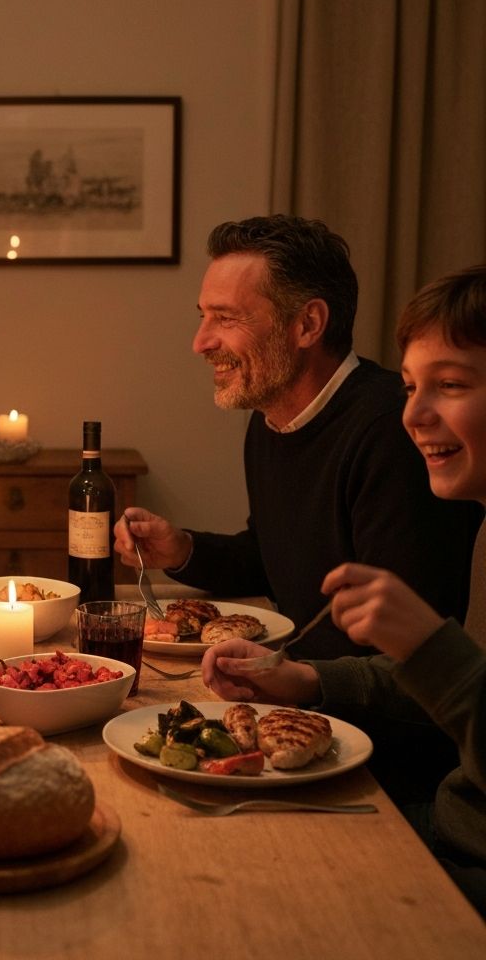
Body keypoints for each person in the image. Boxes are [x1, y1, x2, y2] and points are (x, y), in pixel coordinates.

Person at [202, 264, 486, 916]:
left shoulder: (378, 436)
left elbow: (456, 696)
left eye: (449, 385)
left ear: (309, 324)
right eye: (413, 386)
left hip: (438, 836)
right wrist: (307, 683)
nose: (413, 414)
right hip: (445, 820)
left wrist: (429, 649)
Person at [116, 215, 482, 660]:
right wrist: (183, 550)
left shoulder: (395, 430)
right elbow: (279, 561)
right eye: (203, 317)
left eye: (226, 318)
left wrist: (286, 675)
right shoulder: (271, 418)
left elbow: (409, 647)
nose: (201, 341)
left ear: (308, 324)